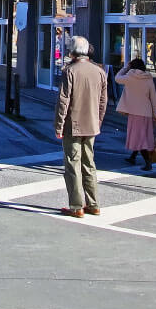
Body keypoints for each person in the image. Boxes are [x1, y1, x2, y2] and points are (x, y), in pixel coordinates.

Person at [53, 35, 107, 218]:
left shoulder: (70, 71)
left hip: (73, 125)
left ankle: (76, 206)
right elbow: (103, 101)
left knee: (72, 164)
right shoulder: (99, 71)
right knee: (89, 163)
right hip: (92, 124)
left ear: (73, 51)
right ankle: (94, 204)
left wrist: (58, 126)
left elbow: (63, 101)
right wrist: (98, 121)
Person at [115, 57, 156, 171]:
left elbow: (117, 78)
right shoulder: (148, 78)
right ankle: (133, 157)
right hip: (147, 112)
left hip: (134, 112)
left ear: (132, 67)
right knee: (142, 136)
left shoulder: (129, 77)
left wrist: (125, 68)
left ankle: (148, 163)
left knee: (139, 138)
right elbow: (153, 99)